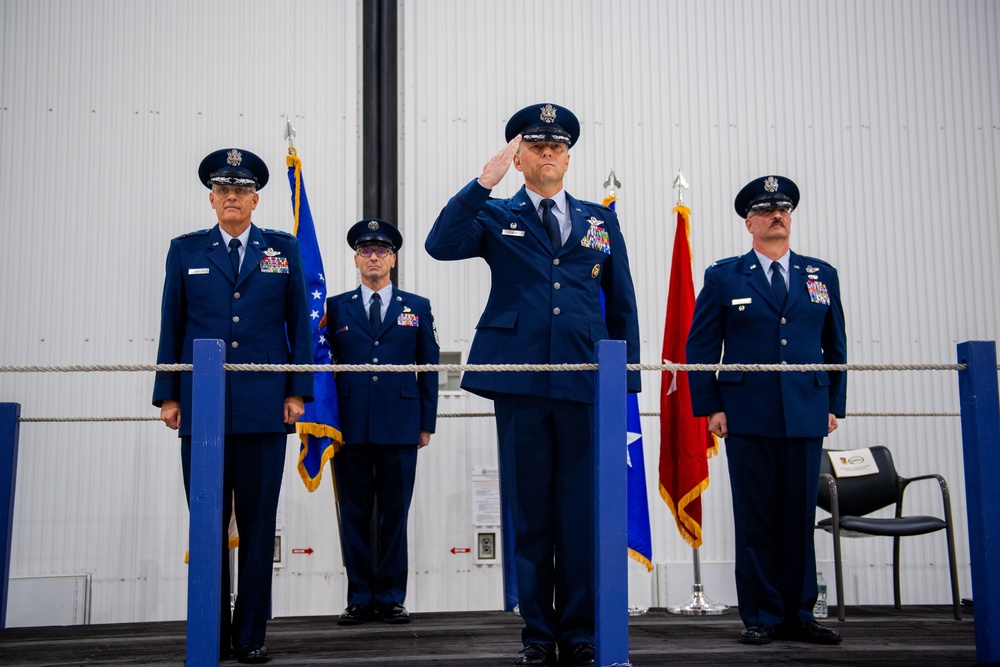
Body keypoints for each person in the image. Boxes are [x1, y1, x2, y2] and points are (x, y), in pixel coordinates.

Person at [425, 103, 640, 667]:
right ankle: (538, 635)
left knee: (579, 512)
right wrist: (482, 182)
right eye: (537, 147)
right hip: (520, 377)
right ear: (518, 158)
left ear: (568, 156)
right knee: (530, 511)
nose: (549, 154)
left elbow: (622, 305)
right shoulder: (497, 213)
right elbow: (439, 243)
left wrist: (626, 383)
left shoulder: (600, 218)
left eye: (557, 146)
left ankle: (580, 631)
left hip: (583, 376)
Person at [152, 148, 313, 664]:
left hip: (266, 406)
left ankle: (249, 634)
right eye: (223, 190)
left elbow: (299, 326)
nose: (231, 198)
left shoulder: (282, 251)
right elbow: (171, 325)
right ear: (211, 198)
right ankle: (211, 627)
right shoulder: (185, 251)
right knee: (208, 522)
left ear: (255, 199)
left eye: (241, 191)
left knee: (259, 522)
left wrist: (296, 391)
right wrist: (169, 394)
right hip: (201, 409)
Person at [685, 175, 847, 646]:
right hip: (746, 412)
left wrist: (833, 403)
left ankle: (801, 614)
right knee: (756, 517)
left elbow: (835, 344)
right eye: (767, 209)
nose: (778, 216)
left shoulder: (821, 276)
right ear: (749, 222)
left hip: (804, 410)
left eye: (784, 209)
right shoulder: (725, 276)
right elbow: (700, 347)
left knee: (799, 516)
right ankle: (761, 614)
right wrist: (710, 405)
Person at [325, 219, 439, 626]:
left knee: (395, 513)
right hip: (350, 425)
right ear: (356, 258)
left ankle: (390, 596)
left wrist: (427, 422)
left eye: (382, 250)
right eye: (366, 250)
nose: (374, 257)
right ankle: (358, 596)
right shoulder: (336, 307)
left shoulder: (417, 307)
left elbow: (428, 367)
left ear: (393, 258)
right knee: (353, 513)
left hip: (401, 423)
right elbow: (325, 367)